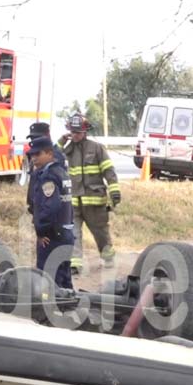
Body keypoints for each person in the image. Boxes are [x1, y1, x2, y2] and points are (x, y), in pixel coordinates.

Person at [61, 113, 119, 273]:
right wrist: (61, 141)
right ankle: (75, 264)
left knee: (101, 233)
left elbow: (109, 170)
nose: (75, 135)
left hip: (94, 201)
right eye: (72, 132)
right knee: (73, 233)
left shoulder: (97, 148)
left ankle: (108, 257)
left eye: (77, 132)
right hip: (74, 202)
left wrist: (115, 192)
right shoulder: (67, 150)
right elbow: (51, 157)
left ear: (85, 132)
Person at [27, 136, 75, 289]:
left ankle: (51, 312)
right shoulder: (61, 172)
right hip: (65, 234)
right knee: (64, 280)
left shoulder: (48, 176)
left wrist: (41, 231)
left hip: (52, 238)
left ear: (49, 153)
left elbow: (51, 207)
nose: (34, 158)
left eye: (38, 154)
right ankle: (67, 309)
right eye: (32, 155)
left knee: (48, 282)